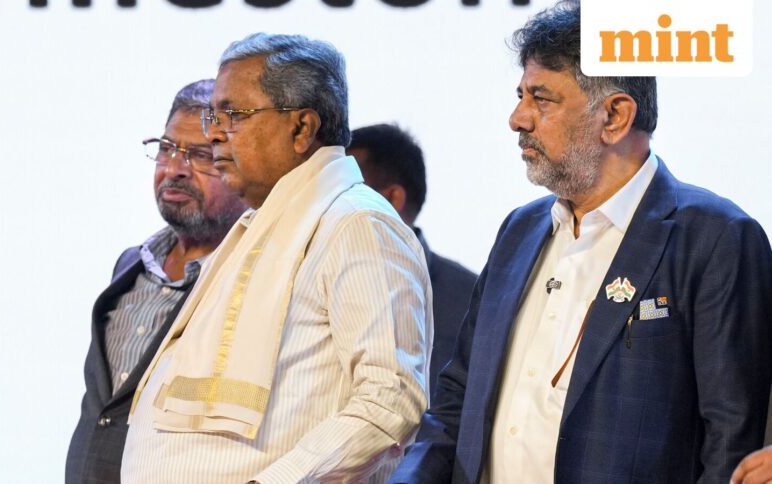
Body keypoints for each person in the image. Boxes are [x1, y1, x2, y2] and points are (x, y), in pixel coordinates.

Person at [390, 1, 772, 482]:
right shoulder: (518, 231)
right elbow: (458, 396)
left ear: (614, 116)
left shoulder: (714, 238)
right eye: (521, 95)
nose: (517, 118)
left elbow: (731, 441)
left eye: (541, 99)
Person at [121, 33, 432, 483]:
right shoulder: (260, 224)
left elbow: (389, 402)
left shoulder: (355, 223)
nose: (212, 133)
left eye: (233, 114)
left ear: (302, 128)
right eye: (214, 114)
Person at [65, 79, 247, 484]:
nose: (174, 170)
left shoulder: (253, 274)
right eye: (167, 149)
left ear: (241, 167)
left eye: (199, 155)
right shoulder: (131, 264)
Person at [347, 123, 476, 395]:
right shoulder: (309, 280)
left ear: (392, 199)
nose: (327, 206)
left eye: (345, 191)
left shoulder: (472, 301)